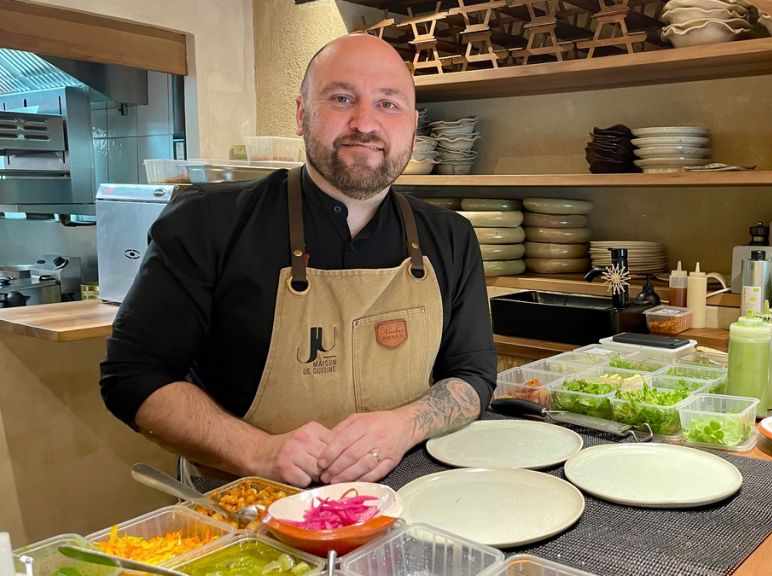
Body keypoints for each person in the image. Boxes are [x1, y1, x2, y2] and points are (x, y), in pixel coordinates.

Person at [100, 34, 496, 488]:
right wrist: (257, 451)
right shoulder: (207, 223)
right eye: (342, 98)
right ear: (301, 113)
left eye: (389, 104)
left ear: (412, 124)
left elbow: (474, 378)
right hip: (246, 510)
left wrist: (405, 425)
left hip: (402, 501)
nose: (365, 123)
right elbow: (132, 375)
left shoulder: (451, 236)